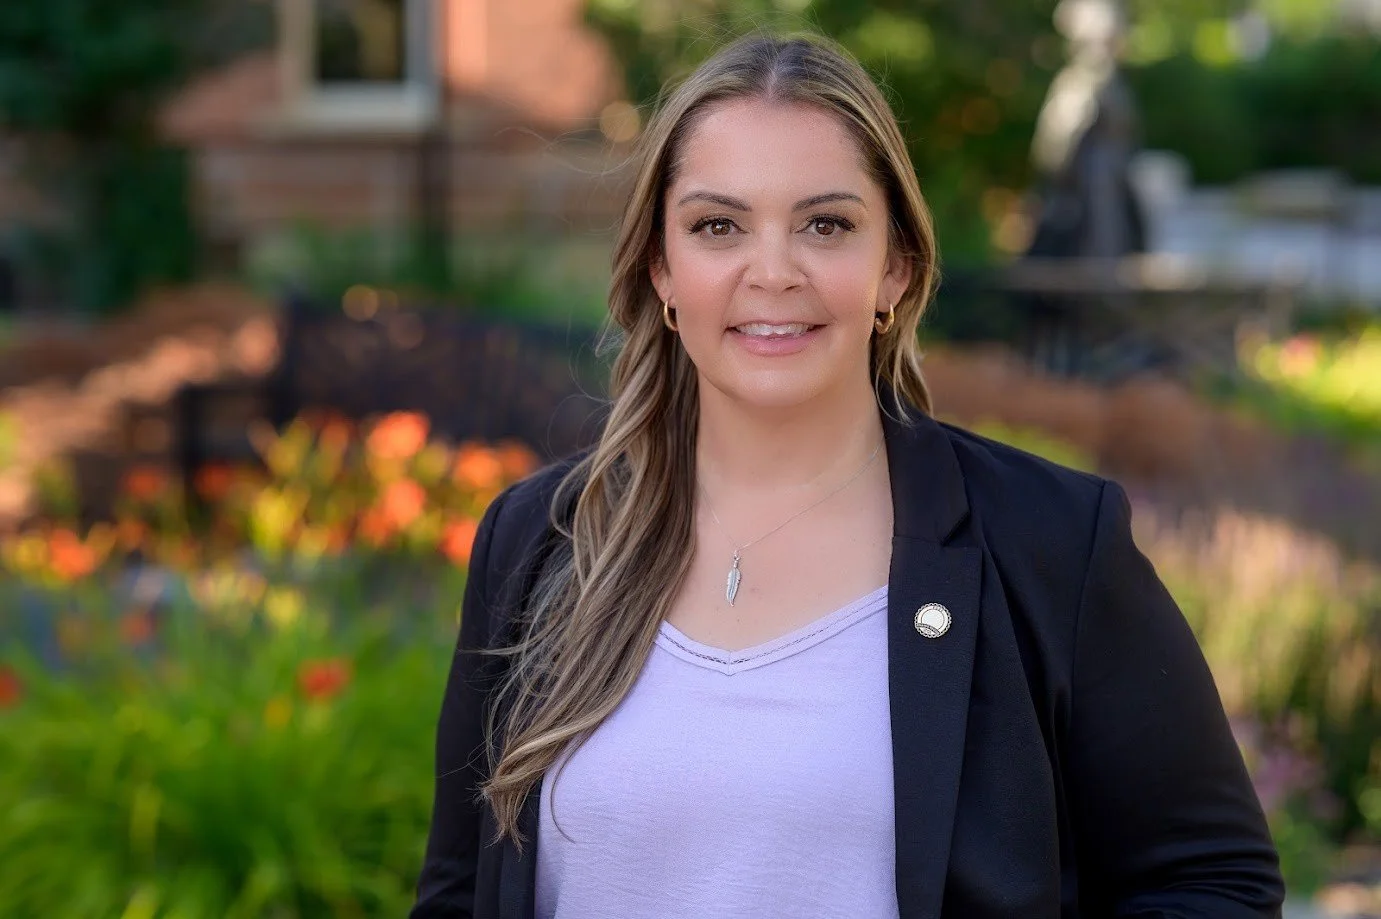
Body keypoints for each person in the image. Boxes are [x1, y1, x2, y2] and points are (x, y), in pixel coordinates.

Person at [410, 31, 1284, 919]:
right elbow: (455, 893)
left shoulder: (1050, 542)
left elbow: (1212, 882)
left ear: (894, 268)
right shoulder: (538, 542)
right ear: (661, 271)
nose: (773, 272)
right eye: (719, 226)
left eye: (825, 224)